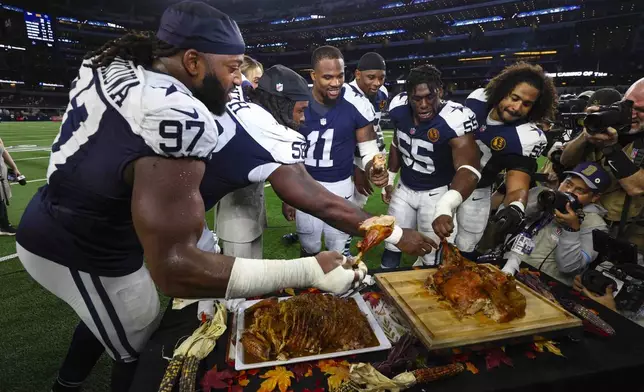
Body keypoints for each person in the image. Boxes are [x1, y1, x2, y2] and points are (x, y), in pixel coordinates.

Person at [15, 3, 362, 391]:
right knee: (139, 344)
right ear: (193, 61)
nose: (238, 81)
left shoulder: (114, 63)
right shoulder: (178, 117)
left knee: (108, 319)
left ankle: (69, 379)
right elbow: (176, 270)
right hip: (81, 247)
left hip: (75, 215)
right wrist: (309, 270)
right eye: (232, 68)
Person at [200, 65, 435, 258]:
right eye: (300, 110)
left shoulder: (246, 102)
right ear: (281, 103)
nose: (303, 119)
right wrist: (396, 235)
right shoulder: (268, 130)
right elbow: (323, 205)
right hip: (186, 210)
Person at [286, 46, 390, 257]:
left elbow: (368, 149)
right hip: (306, 184)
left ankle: (337, 290)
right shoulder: (296, 101)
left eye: (340, 76)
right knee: (310, 245)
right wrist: (287, 195)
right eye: (327, 77)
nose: (335, 83)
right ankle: (310, 287)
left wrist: (373, 168)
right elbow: (285, 150)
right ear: (313, 75)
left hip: (340, 184)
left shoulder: (357, 103)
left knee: (337, 247)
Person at [380, 64, 482, 268]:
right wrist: (390, 177)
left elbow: (469, 169)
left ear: (440, 92)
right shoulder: (398, 109)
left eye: (430, 97)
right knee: (392, 244)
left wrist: (446, 205)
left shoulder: (454, 118)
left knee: (432, 255)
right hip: (405, 189)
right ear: (408, 96)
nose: (424, 104)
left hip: (436, 193)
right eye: (417, 99)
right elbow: (397, 142)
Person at [456, 62, 555, 256]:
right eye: (514, 97)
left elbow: (517, 186)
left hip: (477, 193)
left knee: (465, 250)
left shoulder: (525, 136)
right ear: (502, 91)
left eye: (526, 104)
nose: (517, 107)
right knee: (431, 246)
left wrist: (516, 207)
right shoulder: (477, 100)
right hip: (444, 184)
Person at [560, 78, 644, 252]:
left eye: (641, 110)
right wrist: (586, 134)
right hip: (580, 213)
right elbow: (565, 160)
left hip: (626, 229)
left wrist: (610, 148)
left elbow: (636, 187)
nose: (632, 114)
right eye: (628, 106)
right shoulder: (606, 120)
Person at [501, 162, 611, 286]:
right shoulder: (542, 194)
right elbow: (503, 220)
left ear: (595, 197)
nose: (569, 191)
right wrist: (540, 205)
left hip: (541, 285)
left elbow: (568, 267)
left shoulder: (596, 226)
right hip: (505, 264)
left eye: (579, 190)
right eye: (568, 184)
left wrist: (571, 230)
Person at [214, 55, 267, 258]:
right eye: (256, 81)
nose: (258, 88)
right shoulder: (228, 117)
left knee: (257, 282)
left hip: (254, 215)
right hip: (235, 220)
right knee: (239, 284)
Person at [0, 137, 21, 235]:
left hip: (1, 173)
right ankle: (4, 226)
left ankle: (3, 225)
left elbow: (3, 151)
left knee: (2, 198)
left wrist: (14, 167)